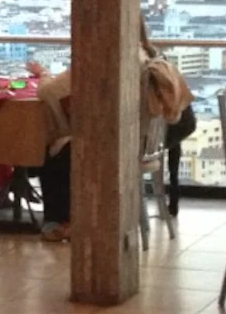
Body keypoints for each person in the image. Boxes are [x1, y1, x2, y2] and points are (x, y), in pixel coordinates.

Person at [31, 24, 184, 242]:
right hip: (143, 143)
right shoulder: (149, 56)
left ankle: (60, 221)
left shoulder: (99, 58)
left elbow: (48, 92)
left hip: (115, 146)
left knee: (55, 150)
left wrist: (44, 74)